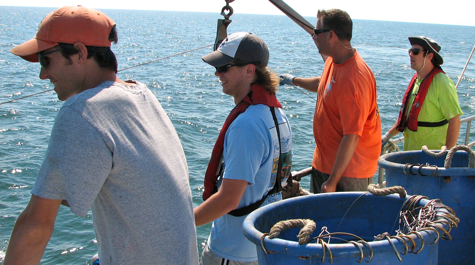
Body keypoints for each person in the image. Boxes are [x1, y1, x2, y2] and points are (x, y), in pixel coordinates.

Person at [5, 6, 199, 264]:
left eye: (45, 60)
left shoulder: (82, 111)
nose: (42, 75)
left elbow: (36, 227)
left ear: (80, 53)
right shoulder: (142, 94)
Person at [194, 32, 293, 264]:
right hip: (262, 244)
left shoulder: (246, 125)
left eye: (224, 67)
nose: (217, 73)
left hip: (233, 251)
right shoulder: (278, 115)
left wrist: (182, 223)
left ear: (250, 70)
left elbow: (229, 199)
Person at [279, 9, 381, 193]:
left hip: (348, 174)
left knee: (343, 222)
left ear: (331, 35)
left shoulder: (354, 79)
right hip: (324, 163)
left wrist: (333, 181)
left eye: (317, 32)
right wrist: (294, 80)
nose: (314, 37)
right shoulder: (334, 62)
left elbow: (352, 135)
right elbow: (324, 83)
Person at [382, 36, 463, 151]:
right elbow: (406, 118)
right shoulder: (416, 80)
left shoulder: (441, 82)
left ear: (429, 56)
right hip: (411, 155)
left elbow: (454, 119)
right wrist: (386, 137)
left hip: (432, 158)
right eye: (410, 51)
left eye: (415, 52)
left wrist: (447, 154)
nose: (410, 54)